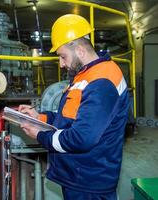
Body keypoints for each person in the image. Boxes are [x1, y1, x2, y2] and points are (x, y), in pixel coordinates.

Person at [19, 14, 130, 200]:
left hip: (90, 182)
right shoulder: (85, 75)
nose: (61, 64)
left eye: (63, 56)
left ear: (80, 50)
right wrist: (39, 117)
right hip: (78, 176)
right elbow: (69, 117)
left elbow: (81, 138)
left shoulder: (102, 81)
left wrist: (40, 135)